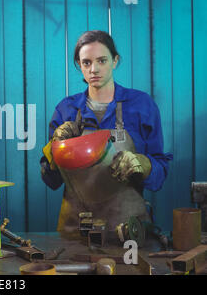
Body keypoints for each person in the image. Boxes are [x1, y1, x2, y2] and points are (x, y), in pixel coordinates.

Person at [41, 30, 173, 234]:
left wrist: (143, 164)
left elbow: (160, 174)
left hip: (128, 231)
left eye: (102, 60)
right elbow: (51, 180)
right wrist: (55, 149)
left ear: (115, 61)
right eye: (86, 62)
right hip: (75, 233)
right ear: (79, 65)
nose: (94, 69)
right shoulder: (66, 110)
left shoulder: (141, 105)